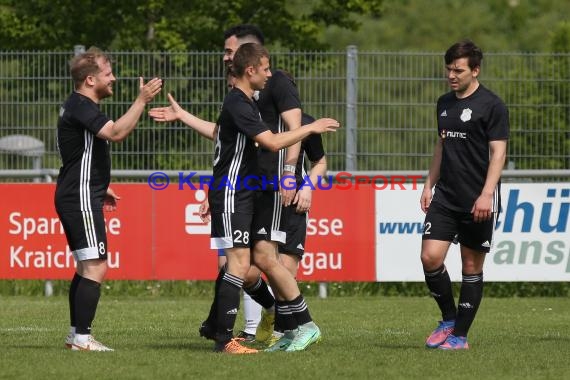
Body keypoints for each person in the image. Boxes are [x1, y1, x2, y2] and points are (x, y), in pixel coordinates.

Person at [150, 25, 327, 351]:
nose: (224, 56)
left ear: (248, 57)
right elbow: (226, 137)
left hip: (271, 187)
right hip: (243, 189)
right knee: (245, 264)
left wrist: (292, 175)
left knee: (267, 262)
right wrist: (185, 119)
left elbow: (291, 130)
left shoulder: (276, 83)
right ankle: (264, 324)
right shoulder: (241, 97)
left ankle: (285, 326)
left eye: (229, 51)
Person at [201, 42, 339, 354]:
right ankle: (225, 338)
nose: (269, 75)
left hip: (251, 193)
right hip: (234, 191)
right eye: (265, 69)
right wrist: (311, 127)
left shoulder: (247, 103)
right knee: (238, 265)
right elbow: (272, 143)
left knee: (260, 260)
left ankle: (299, 326)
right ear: (250, 70)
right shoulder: (238, 103)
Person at [56, 47, 162, 351]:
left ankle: (76, 335)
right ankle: (82, 339)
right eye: (107, 73)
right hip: (79, 195)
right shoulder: (82, 106)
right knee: (96, 266)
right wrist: (141, 100)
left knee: (85, 265)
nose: (113, 78)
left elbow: (81, 154)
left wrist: (101, 185)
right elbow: (116, 133)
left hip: (79, 191)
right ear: (90, 80)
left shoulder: (78, 105)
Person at [420, 39, 509, 350]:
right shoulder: (444, 102)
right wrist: (429, 183)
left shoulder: (492, 105)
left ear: (475, 70)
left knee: (471, 267)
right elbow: (441, 146)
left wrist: (487, 194)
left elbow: (498, 153)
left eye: (458, 70)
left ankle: (460, 336)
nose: (451, 75)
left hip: (478, 198)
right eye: (449, 70)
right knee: (429, 258)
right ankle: (448, 319)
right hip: (446, 196)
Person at [264, 112, 328, 351]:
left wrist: (308, 188)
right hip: (262, 202)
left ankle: (294, 331)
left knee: (285, 271)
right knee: (267, 269)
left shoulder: (307, 122)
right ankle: (286, 332)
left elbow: (320, 162)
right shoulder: (259, 118)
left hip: (292, 205)